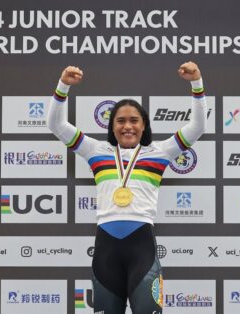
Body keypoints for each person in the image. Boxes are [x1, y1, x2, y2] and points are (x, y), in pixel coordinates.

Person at [48, 62, 206, 313]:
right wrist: (63, 85)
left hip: (141, 248)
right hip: (106, 251)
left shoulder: (160, 152)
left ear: (144, 126)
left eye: (134, 120)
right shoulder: (96, 151)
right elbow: (56, 125)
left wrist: (196, 83)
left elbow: (198, 127)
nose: (127, 126)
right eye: (120, 121)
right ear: (112, 127)